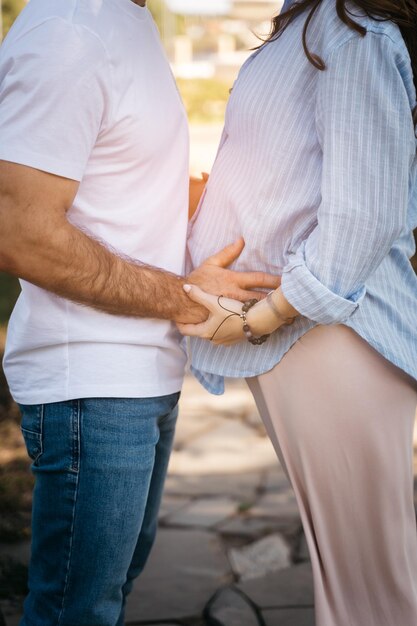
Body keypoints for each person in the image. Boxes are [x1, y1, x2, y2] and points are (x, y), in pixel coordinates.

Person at [0, 0, 280, 624]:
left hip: (141, 372)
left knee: (109, 596)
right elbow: (21, 231)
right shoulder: (67, 30)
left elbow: (114, 189)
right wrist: (182, 298)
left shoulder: (127, 20)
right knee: (79, 611)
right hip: (91, 383)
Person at [181, 0, 417, 624]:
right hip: (305, 342)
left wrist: (263, 318)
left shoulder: (351, 31)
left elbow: (367, 212)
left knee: (373, 585)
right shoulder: (306, 24)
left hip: (333, 338)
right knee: (351, 580)